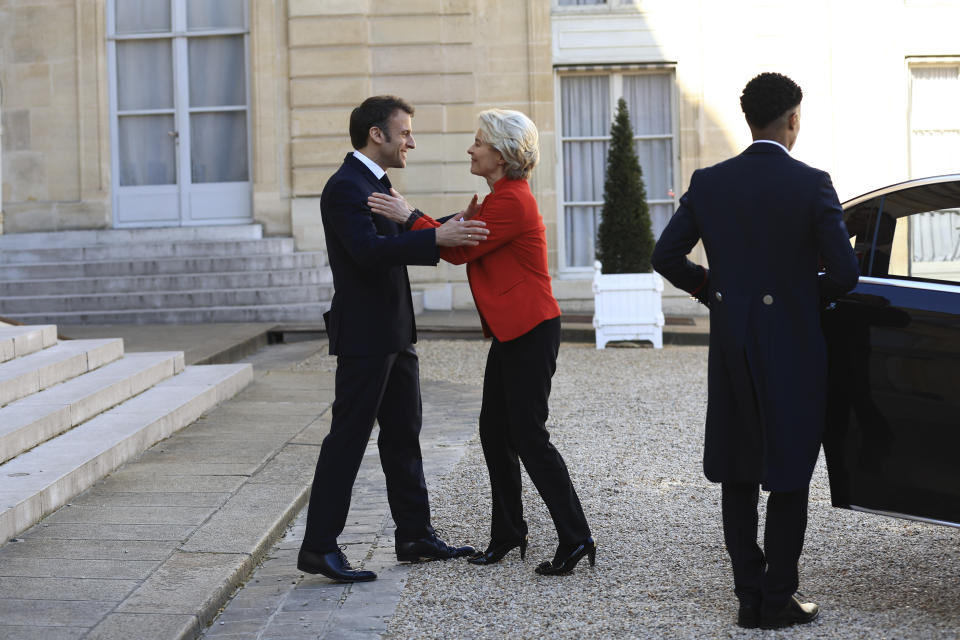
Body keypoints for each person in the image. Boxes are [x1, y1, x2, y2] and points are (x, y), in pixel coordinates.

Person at [651, 73, 859, 629]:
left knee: (740, 466)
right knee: (790, 468)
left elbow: (666, 255)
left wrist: (714, 292)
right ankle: (777, 597)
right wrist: (794, 299)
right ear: (794, 118)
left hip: (734, 342)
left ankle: (748, 596)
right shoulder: (812, 183)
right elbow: (844, 273)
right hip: (794, 345)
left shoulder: (710, 181)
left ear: (749, 120)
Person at [368, 109, 595, 576]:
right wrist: (416, 217)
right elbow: (453, 238)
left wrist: (407, 214)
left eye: (477, 142)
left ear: (502, 152)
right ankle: (508, 534)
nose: (470, 149)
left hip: (531, 330)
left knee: (529, 436)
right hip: (515, 333)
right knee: (495, 432)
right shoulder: (497, 198)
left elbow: (458, 250)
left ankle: (576, 537)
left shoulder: (511, 202)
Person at [297, 95, 487, 583]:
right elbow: (365, 252)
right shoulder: (344, 187)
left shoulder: (374, 183)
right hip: (365, 336)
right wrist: (434, 240)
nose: (412, 141)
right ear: (376, 134)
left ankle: (414, 535)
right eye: (404, 133)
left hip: (395, 333)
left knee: (403, 436)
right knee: (348, 439)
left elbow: (397, 232)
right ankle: (319, 546)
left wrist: (447, 226)